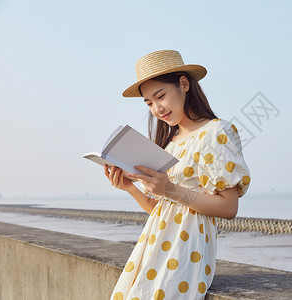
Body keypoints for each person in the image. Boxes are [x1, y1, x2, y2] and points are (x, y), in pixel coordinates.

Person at [104, 49, 251, 300]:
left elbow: (229, 207)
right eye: (149, 103)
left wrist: (169, 189)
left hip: (186, 253)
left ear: (184, 84)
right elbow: (162, 209)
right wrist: (130, 188)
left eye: (160, 96)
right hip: (153, 247)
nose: (157, 109)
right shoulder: (170, 143)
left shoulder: (216, 132)